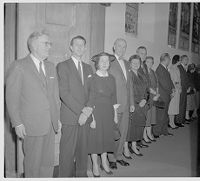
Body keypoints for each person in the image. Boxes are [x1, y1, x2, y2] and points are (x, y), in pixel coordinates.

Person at [5, 30, 61, 177]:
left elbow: (55, 95)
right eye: (46, 43)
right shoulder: (19, 66)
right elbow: (11, 98)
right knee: (33, 163)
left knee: (48, 162)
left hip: (50, 123)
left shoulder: (51, 66)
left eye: (50, 43)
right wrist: (17, 123)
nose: (49, 46)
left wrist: (57, 118)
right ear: (34, 45)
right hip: (32, 124)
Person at [57, 35, 93, 177]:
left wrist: (87, 111)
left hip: (86, 117)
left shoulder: (89, 68)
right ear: (71, 47)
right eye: (76, 44)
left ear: (85, 48)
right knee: (67, 153)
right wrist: (82, 111)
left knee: (83, 152)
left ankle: (81, 175)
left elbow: (93, 92)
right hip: (70, 117)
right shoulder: (63, 66)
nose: (79, 47)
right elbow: (64, 93)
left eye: (82, 45)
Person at [86, 52, 119, 177]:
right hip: (96, 113)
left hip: (108, 113)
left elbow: (114, 97)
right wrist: (92, 118)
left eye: (107, 61)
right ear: (97, 63)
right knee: (95, 139)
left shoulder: (112, 78)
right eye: (102, 61)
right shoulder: (92, 78)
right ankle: (95, 164)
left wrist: (115, 114)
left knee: (105, 138)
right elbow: (90, 100)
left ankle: (104, 162)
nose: (105, 63)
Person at [108, 38, 135, 169]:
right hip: (114, 105)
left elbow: (129, 85)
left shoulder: (127, 63)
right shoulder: (108, 62)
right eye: (119, 46)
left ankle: (118, 156)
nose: (122, 49)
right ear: (114, 46)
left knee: (123, 132)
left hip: (126, 104)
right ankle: (111, 158)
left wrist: (132, 102)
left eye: (124, 47)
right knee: (113, 132)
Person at [127, 55, 148, 157]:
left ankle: (134, 145)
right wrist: (136, 102)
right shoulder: (128, 74)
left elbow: (146, 89)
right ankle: (128, 147)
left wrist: (145, 99)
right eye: (133, 62)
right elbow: (128, 92)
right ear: (130, 63)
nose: (136, 64)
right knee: (131, 128)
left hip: (142, 104)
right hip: (133, 104)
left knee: (139, 126)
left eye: (138, 63)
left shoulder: (141, 74)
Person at [153, 53, 175, 137]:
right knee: (160, 115)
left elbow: (170, 81)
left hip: (166, 95)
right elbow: (164, 84)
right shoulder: (160, 69)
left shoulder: (165, 68)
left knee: (165, 114)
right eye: (169, 59)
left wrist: (173, 88)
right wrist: (171, 91)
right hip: (162, 96)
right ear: (165, 59)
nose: (169, 60)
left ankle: (164, 130)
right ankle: (156, 132)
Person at [136, 46, 151, 147]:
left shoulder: (145, 66)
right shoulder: (134, 64)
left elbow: (147, 81)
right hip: (138, 97)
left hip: (146, 96)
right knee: (137, 120)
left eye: (145, 53)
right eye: (141, 53)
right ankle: (135, 141)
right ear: (137, 53)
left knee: (143, 119)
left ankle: (139, 139)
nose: (143, 55)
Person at [144, 56, 160, 141]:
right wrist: (155, 93)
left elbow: (157, 84)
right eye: (148, 62)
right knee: (146, 117)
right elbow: (146, 86)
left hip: (154, 97)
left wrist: (157, 94)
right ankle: (144, 135)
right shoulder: (143, 72)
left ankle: (149, 133)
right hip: (147, 97)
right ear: (145, 62)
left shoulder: (153, 72)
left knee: (151, 117)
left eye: (151, 62)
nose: (149, 63)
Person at [175, 55, 191, 127]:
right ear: (181, 60)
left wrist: (188, 87)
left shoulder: (184, 68)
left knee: (184, 105)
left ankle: (182, 120)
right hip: (181, 89)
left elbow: (186, 79)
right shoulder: (179, 67)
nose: (186, 61)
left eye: (187, 60)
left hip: (185, 89)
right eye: (185, 59)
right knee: (180, 105)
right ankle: (178, 121)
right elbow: (178, 79)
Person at [168, 55, 181, 129]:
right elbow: (172, 80)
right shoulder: (171, 68)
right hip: (174, 90)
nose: (180, 61)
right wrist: (177, 85)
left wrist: (180, 87)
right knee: (172, 107)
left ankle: (172, 122)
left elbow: (179, 80)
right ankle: (170, 122)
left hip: (178, 90)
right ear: (177, 60)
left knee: (175, 107)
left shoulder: (177, 69)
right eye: (179, 60)